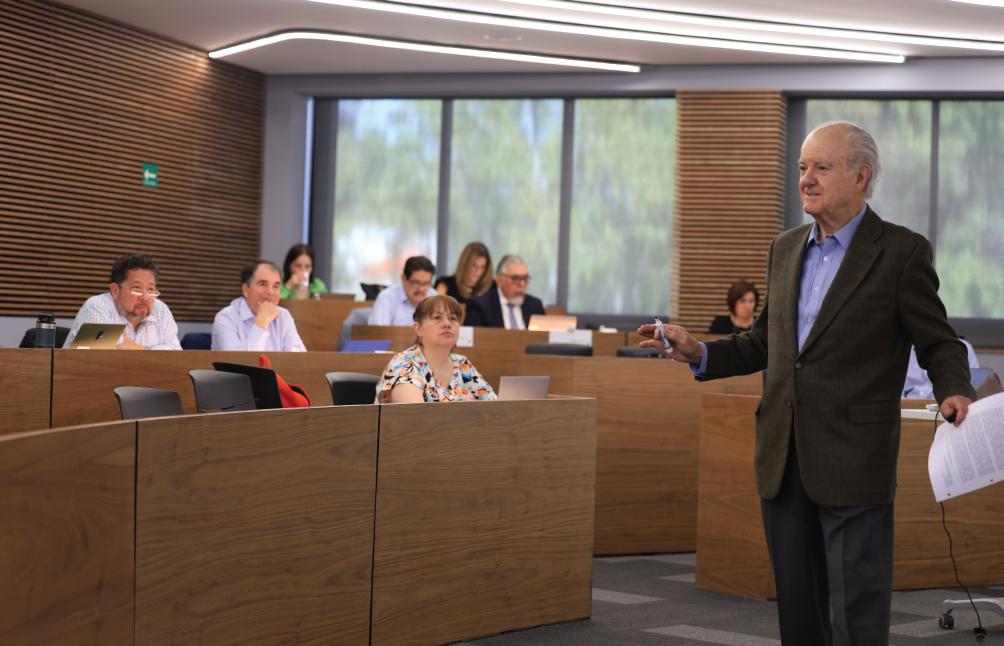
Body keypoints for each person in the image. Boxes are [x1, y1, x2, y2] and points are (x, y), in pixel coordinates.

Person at [638, 121, 974, 646]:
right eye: (801, 167)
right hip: (783, 456)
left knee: (856, 614)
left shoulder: (901, 252)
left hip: (854, 457)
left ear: (861, 176)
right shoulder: (785, 248)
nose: (806, 179)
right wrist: (698, 352)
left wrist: (954, 388)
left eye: (821, 167)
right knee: (798, 612)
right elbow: (762, 343)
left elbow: (939, 341)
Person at [376, 294, 497, 403]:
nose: (447, 324)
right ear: (418, 329)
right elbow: (416, 416)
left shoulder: (462, 364)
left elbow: (496, 407)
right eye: (437, 317)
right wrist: (466, 406)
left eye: (453, 318)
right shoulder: (404, 363)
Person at [64, 254, 181, 350]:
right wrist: (153, 353)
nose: (145, 298)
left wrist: (141, 351)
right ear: (115, 290)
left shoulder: (161, 310)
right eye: (137, 289)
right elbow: (97, 362)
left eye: (150, 289)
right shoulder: (97, 307)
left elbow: (177, 355)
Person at [212, 260, 306, 351]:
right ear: (246, 290)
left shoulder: (283, 315)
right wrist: (262, 322)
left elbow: (298, 356)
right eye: (263, 284)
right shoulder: (225, 318)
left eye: (275, 286)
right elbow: (238, 360)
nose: (270, 292)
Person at [463, 254, 545, 329]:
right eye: (515, 278)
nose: (522, 284)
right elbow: (473, 338)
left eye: (525, 278)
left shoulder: (535, 306)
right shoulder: (480, 306)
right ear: (499, 280)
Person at [368, 255, 437, 325]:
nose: (421, 289)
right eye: (416, 282)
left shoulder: (434, 297)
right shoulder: (387, 298)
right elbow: (379, 331)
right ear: (403, 278)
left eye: (426, 283)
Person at [903, 338, 979, 399]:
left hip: (953, 409)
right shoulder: (903, 349)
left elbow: (974, 387)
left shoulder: (963, 346)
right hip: (910, 410)